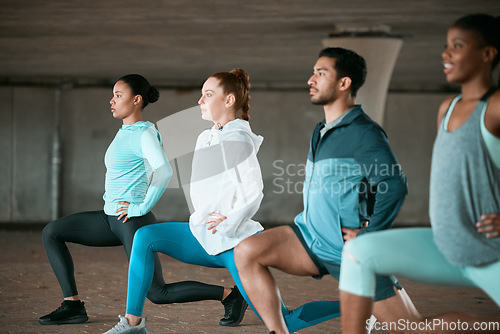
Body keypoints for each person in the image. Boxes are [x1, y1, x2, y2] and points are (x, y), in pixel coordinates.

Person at [104, 69, 342, 334]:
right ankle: (133, 324)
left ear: (228, 101)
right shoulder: (206, 136)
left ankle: (359, 304)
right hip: (201, 234)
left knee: (284, 320)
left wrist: (230, 219)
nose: (200, 101)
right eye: (202, 95)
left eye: (208, 95)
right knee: (145, 237)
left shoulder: (238, 140)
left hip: (234, 245)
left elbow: (254, 192)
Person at [234, 47, 421, 334]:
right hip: (311, 239)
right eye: (313, 72)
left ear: (344, 83)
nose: (311, 79)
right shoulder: (321, 129)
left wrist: (370, 235)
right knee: (248, 251)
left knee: (412, 329)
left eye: (321, 73)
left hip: (351, 252)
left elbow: (394, 185)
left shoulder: (364, 132)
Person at [39, 74, 245, 327]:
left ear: (136, 100)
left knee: (158, 293)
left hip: (132, 222)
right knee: (52, 232)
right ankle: (72, 305)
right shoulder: (125, 131)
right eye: (113, 95)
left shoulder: (143, 133)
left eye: (118, 95)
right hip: (109, 218)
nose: (112, 101)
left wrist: (142, 207)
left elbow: (164, 170)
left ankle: (229, 295)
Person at [339, 14, 500, 334]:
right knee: (358, 253)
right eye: (446, 46)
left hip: (491, 255)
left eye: (457, 46)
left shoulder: (495, 106)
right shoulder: (448, 108)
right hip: (446, 246)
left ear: (487, 54)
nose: (445, 53)